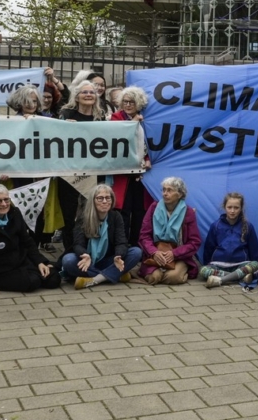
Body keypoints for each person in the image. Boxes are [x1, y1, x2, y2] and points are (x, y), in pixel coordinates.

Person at [0, 184, 62, 293]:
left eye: (6, 200)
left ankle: (39, 271)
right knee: (32, 282)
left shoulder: (15, 213)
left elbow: (27, 241)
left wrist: (40, 262)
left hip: (20, 262)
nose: (4, 204)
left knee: (54, 278)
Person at [60, 184, 143, 290]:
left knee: (136, 252)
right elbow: (77, 243)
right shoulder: (83, 218)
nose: (104, 201)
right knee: (68, 260)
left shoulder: (116, 216)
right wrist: (84, 254)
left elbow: (121, 242)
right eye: (100, 198)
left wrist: (118, 255)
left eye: (108, 198)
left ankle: (95, 280)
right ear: (92, 201)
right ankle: (114, 275)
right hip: (87, 262)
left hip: (109, 261)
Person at [140, 177, 202, 285]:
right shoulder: (154, 208)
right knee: (154, 277)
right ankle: (159, 272)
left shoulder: (188, 212)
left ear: (180, 194)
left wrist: (174, 253)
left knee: (173, 277)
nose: (165, 193)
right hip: (156, 253)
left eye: (169, 190)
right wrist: (154, 252)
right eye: (163, 190)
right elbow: (144, 235)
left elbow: (194, 242)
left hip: (179, 254)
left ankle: (179, 270)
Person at [109, 86, 152, 240]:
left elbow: (149, 142)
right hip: (123, 172)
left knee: (140, 210)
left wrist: (147, 159)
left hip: (142, 171)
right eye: (125, 102)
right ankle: (122, 243)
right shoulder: (116, 117)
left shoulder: (147, 117)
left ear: (139, 103)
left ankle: (136, 243)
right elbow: (118, 137)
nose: (128, 105)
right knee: (123, 209)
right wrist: (133, 123)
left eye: (132, 102)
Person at [199, 192, 258, 289]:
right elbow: (209, 247)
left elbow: (254, 249)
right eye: (229, 207)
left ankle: (220, 280)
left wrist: (255, 269)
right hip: (218, 264)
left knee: (256, 264)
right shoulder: (215, 226)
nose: (232, 211)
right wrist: (207, 263)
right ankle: (237, 277)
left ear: (241, 208)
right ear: (224, 207)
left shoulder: (247, 226)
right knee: (203, 270)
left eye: (236, 208)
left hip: (240, 264)